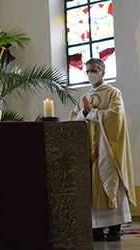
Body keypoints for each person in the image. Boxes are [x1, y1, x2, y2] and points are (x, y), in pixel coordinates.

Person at [69, 58, 136, 242]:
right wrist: (84, 112)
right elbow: (73, 119)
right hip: (89, 154)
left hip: (109, 150)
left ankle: (114, 229)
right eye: (88, 70)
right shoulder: (84, 97)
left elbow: (116, 117)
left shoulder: (114, 93)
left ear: (103, 73)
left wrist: (92, 112)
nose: (91, 73)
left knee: (113, 187)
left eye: (95, 70)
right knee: (92, 191)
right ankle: (96, 230)